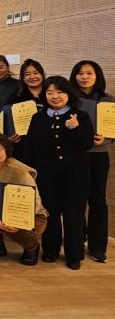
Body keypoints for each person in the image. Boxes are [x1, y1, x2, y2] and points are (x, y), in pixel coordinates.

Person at [26, 76, 94, 270]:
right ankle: (50, 250)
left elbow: (86, 144)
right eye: (50, 92)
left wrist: (75, 129)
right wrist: (31, 172)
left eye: (60, 92)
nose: (55, 96)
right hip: (46, 175)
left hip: (75, 175)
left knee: (74, 215)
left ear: (69, 94)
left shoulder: (80, 116)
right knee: (51, 214)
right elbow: (30, 146)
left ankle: (74, 255)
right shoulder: (38, 117)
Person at [0, 132, 47, 266]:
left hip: (28, 213)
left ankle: (31, 248)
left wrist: (14, 221)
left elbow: (35, 202)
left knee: (13, 227)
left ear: (6, 150)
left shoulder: (20, 171)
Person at [69, 60, 113, 263]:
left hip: (98, 155)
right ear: (74, 76)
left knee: (98, 200)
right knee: (76, 199)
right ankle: (77, 239)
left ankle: (98, 246)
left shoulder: (108, 100)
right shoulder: (69, 100)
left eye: (89, 73)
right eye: (80, 73)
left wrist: (106, 137)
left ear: (97, 76)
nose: (84, 77)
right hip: (75, 154)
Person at [10, 58, 46, 161]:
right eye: (27, 74)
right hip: (24, 146)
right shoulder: (16, 97)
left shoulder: (51, 95)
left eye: (36, 73)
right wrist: (9, 136)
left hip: (48, 143)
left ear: (42, 74)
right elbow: (8, 120)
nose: (32, 77)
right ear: (23, 78)